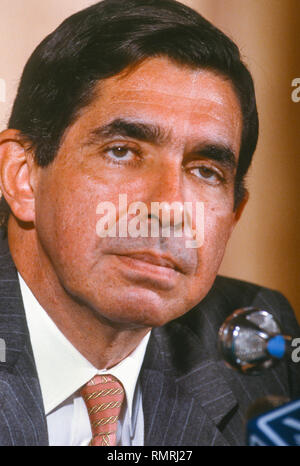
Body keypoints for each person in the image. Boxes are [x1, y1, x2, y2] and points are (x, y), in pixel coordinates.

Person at [0, 0, 298, 447]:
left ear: (233, 217)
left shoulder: (261, 334)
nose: (170, 207)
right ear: (23, 178)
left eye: (205, 171)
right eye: (121, 151)